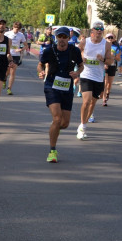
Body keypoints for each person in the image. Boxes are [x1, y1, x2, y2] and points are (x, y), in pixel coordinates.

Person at [37, 26, 83, 163]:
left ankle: (55, 129)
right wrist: (41, 72)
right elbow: (40, 64)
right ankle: (52, 151)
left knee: (65, 123)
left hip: (67, 87)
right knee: (57, 119)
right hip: (51, 85)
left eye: (64, 37)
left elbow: (81, 66)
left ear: (69, 38)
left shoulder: (74, 50)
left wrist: (77, 73)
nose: (62, 40)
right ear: (56, 38)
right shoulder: (48, 50)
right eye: (59, 37)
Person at [76, 21, 112, 139]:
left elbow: (110, 61)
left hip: (98, 77)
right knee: (86, 101)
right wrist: (81, 56)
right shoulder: (85, 41)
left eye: (101, 29)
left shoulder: (106, 44)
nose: (99, 30)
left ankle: (84, 124)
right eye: (97, 28)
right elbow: (77, 52)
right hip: (86, 75)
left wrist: (103, 59)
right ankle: (82, 126)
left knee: (93, 103)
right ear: (92, 31)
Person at [5, 22, 28, 95]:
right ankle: (4, 79)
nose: (16, 30)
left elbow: (26, 46)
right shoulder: (7, 34)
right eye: (15, 28)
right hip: (8, 54)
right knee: (7, 70)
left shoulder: (21, 35)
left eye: (18, 29)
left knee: (13, 72)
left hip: (16, 55)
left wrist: (20, 49)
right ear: (13, 27)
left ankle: (9, 88)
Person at [102, 30, 120, 105]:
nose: (110, 38)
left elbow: (119, 59)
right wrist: (104, 63)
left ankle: (107, 93)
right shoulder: (103, 46)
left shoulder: (116, 47)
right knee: (105, 82)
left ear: (113, 39)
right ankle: (104, 99)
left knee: (109, 83)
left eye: (111, 37)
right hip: (105, 66)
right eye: (108, 37)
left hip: (112, 66)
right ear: (105, 38)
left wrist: (114, 56)